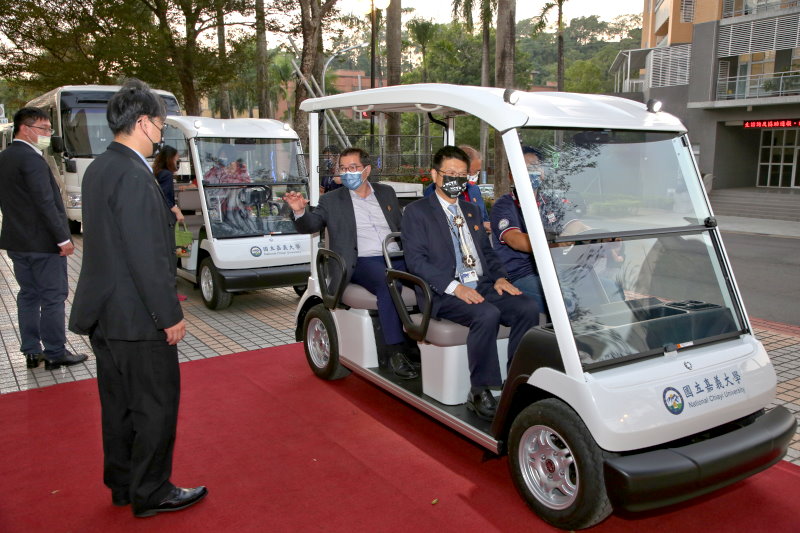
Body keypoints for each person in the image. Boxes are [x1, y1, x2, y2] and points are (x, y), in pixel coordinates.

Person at [69, 79, 207, 518]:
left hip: (106, 315)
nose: (161, 135)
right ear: (144, 123)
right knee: (155, 407)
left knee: (120, 407)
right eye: (161, 126)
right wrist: (168, 315)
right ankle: (152, 491)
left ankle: (124, 482)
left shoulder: (100, 168)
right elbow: (145, 254)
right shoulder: (133, 175)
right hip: (138, 318)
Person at [402, 146, 539, 421]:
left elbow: (487, 252)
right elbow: (416, 262)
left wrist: (500, 277)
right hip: (443, 291)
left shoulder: (472, 209)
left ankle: (516, 379)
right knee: (486, 313)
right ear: (434, 175)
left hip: (483, 282)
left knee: (527, 306)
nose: (456, 179)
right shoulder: (416, 213)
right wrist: (456, 288)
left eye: (461, 174)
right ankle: (481, 389)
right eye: (449, 173)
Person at [283, 147, 418, 380]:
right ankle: (394, 351)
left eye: (353, 168)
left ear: (367, 170)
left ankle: (422, 339)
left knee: (430, 276)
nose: (348, 173)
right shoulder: (331, 200)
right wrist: (300, 212)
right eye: (343, 169)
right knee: (390, 285)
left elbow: (401, 225)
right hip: (363, 260)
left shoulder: (386, 193)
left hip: (397, 255)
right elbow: (311, 224)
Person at [0, 107, 87, 370]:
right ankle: (55, 352)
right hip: (44, 245)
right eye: (44, 129)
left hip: (17, 242)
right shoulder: (32, 160)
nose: (48, 135)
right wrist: (63, 239)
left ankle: (31, 351)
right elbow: (45, 202)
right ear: (25, 129)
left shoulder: (4, 158)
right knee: (53, 297)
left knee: (28, 295)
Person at [490, 146, 547, 312]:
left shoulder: (550, 201)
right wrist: (552, 243)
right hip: (521, 275)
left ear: (542, 172)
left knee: (606, 287)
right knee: (565, 300)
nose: (530, 173)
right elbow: (515, 240)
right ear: (511, 176)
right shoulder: (504, 206)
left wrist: (599, 234)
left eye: (534, 167)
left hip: (552, 269)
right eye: (523, 169)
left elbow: (574, 225)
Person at [423, 144, 490, 231]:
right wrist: (479, 225)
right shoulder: (435, 190)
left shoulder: (474, 190)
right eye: (469, 172)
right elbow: (436, 224)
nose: (473, 175)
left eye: (477, 171)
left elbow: (484, 218)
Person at [153, 145, 184, 223]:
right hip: (166, 213)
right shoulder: (167, 174)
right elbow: (164, 196)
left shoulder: (158, 172)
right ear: (171, 159)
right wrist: (177, 211)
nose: (177, 161)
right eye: (176, 158)